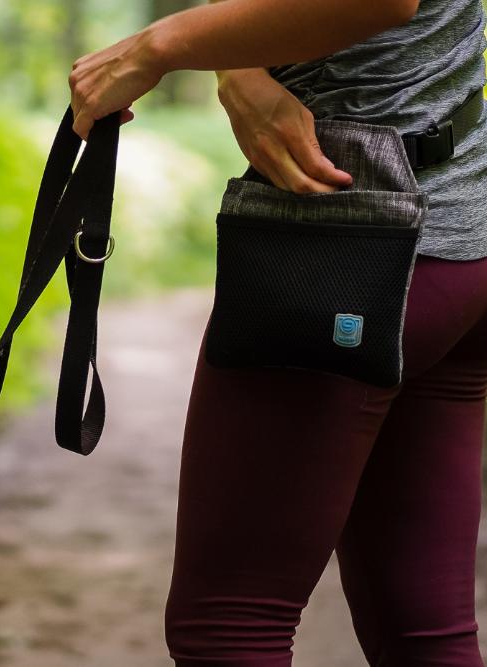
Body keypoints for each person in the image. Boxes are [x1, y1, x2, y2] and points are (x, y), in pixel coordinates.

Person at [70, 0, 487, 664]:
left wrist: (155, 47)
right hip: (459, 242)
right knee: (422, 628)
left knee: (230, 625)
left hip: (352, 247)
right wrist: (237, 64)